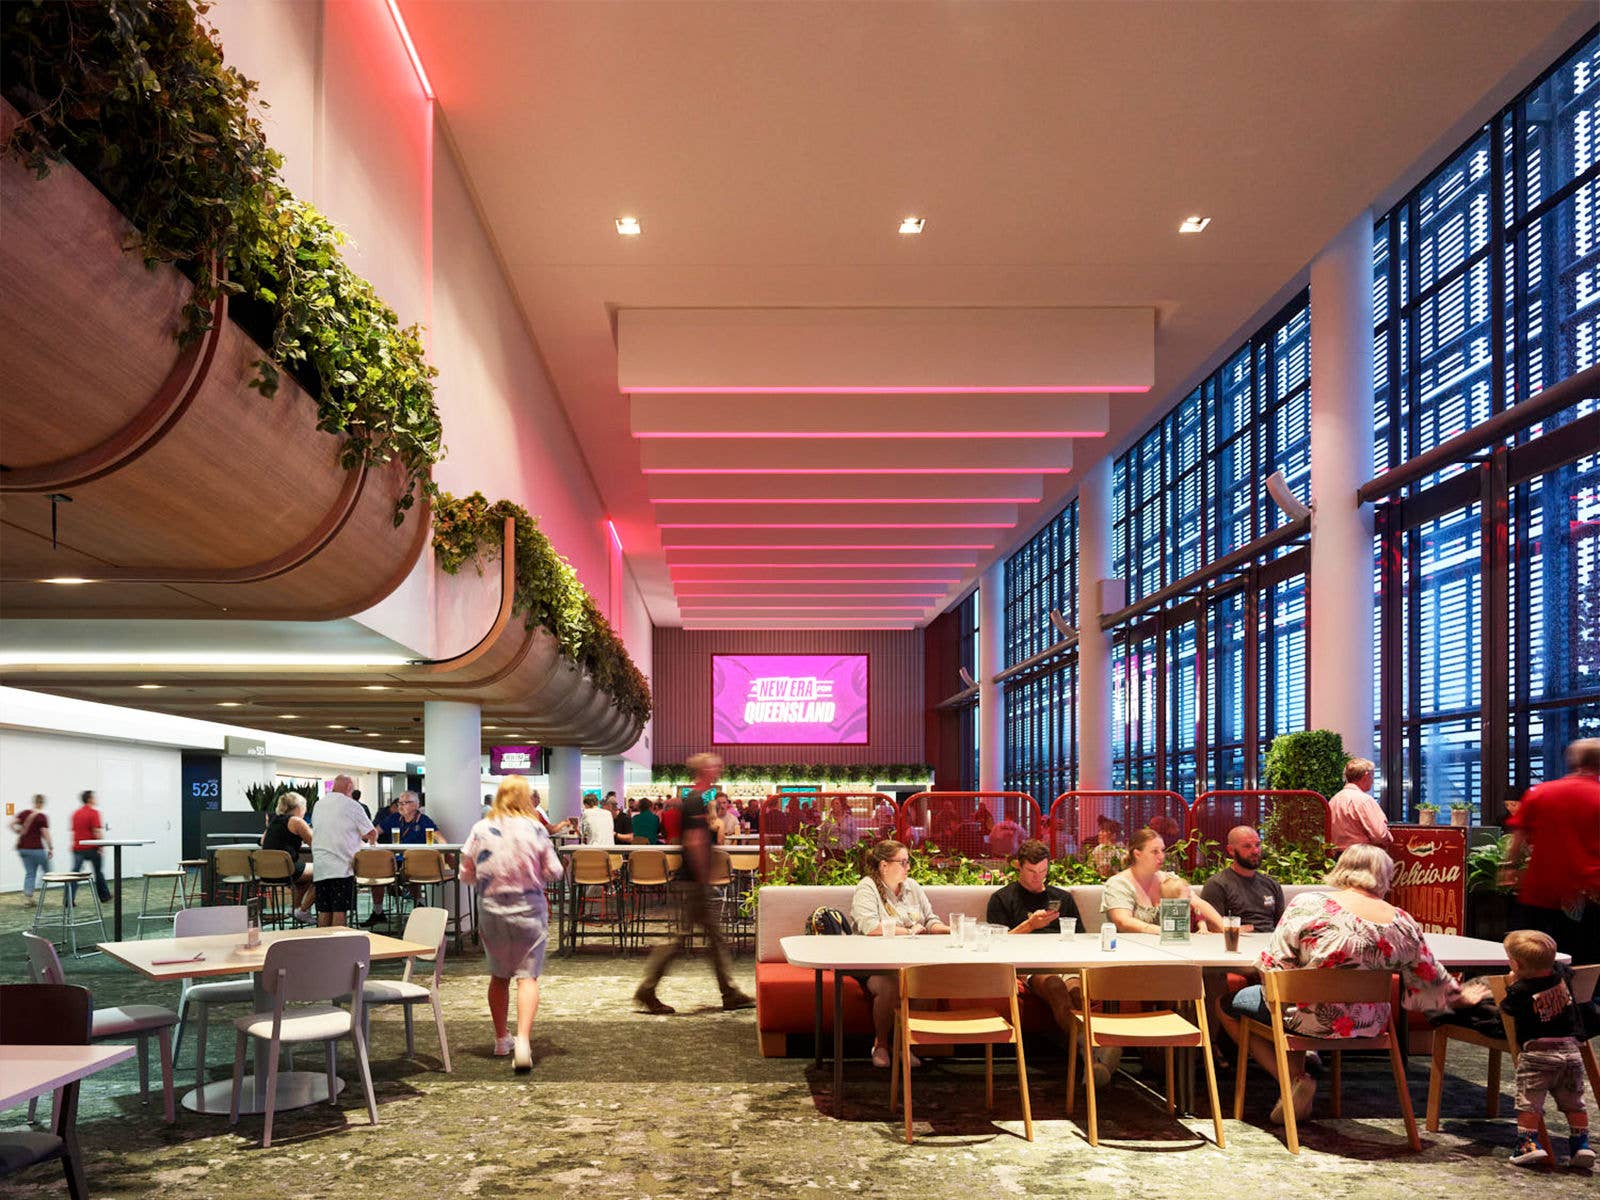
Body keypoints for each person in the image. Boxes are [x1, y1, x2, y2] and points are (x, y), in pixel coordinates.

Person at [1219, 844, 1490, 1124]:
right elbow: (1430, 980)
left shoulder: (1309, 904)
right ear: (1385, 876)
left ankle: (1290, 1082)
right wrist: (1463, 996)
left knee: (1231, 1005)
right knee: (1284, 1003)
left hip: (1306, 1017)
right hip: (1371, 1024)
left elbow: (1274, 967)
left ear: (1342, 870)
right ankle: (1297, 1080)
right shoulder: (1402, 921)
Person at [987, 839, 1121, 1084]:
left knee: (1079, 992)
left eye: (1043, 872)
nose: (1038, 878)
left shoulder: (1062, 898)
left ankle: (1091, 1060)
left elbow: (1082, 937)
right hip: (1027, 966)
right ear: (1019, 866)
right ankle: (1096, 1049)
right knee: (1054, 986)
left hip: (1064, 961)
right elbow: (996, 944)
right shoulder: (1003, 898)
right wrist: (1030, 925)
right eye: (1032, 872)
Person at [459, 775, 564, 1073]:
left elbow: (465, 872)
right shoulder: (535, 829)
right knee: (527, 977)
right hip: (529, 909)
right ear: (525, 798)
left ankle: (500, 1038)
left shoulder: (480, 829)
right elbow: (553, 871)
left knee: (499, 975)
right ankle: (523, 1041)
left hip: (492, 911)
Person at [634, 754, 753, 1015]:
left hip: (692, 880)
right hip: (694, 882)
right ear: (704, 770)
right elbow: (695, 841)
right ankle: (648, 989)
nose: (719, 768)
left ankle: (728, 992)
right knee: (686, 940)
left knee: (707, 939)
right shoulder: (696, 800)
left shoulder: (698, 800)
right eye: (715, 765)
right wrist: (703, 879)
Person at [850, 838, 951, 1068]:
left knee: (924, 981)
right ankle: (882, 1045)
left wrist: (949, 929)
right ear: (884, 866)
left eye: (908, 862)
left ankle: (906, 1045)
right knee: (891, 985)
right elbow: (870, 927)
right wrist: (909, 930)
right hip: (875, 962)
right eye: (903, 862)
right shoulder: (868, 888)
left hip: (910, 959)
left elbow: (929, 920)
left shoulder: (912, 887)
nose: (908, 867)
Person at [1500, 738, 1600, 965]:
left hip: (1540, 892)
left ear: (1572, 762)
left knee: (1533, 959)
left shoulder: (1541, 792)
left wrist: (1508, 869)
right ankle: (1580, 999)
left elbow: (1517, 839)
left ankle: (1536, 998)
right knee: (1585, 963)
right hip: (1588, 894)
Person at [1499, 929, 1593, 1168]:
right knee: (1574, 1103)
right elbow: (1567, 969)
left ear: (1516, 964)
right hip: (1571, 1052)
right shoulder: (1562, 975)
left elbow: (1506, 1008)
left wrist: (1512, 982)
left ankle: (1528, 1145)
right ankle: (1581, 1145)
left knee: (1529, 1103)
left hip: (1538, 1054)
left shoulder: (1520, 991)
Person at [1100, 827, 1225, 934]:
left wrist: (1227, 929)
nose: (1162, 856)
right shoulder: (1119, 883)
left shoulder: (1168, 879)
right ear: (1137, 854)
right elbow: (1123, 921)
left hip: (1170, 948)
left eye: (1162, 850)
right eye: (1155, 852)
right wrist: (1164, 932)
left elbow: (1199, 904)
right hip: (1131, 950)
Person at [362, 791, 440, 926]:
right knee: (377, 871)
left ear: (416, 805)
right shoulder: (394, 818)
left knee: (412, 869)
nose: (401, 806)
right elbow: (375, 832)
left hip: (415, 863)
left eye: (406, 803)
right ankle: (378, 911)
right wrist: (362, 837)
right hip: (395, 861)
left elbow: (440, 837)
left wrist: (446, 852)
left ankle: (419, 905)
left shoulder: (424, 820)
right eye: (400, 803)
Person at [310, 775, 376, 928]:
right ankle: (337, 946)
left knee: (324, 909)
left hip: (321, 865)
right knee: (340, 909)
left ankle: (322, 945)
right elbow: (371, 833)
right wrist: (371, 844)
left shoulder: (318, 804)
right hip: (342, 866)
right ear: (349, 788)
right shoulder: (351, 805)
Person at [1200, 825, 1285, 932]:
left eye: (1258, 845)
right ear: (1231, 850)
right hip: (1237, 942)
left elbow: (1283, 926)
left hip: (1271, 943)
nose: (1255, 851)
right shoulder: (1217, 885)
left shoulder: (1272, 885)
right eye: (1247, 846)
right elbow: (1213, 928)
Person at [261, 791, 315, 923]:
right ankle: (303, 911)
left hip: (265, 871)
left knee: (304, 878)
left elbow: (263, 841)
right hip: (285, 870)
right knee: (324, 871)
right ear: (299, 807)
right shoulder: (296, 821)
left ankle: (295, 909)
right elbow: (316, 842)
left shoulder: (274, 820)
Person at [1328, 757, 1392, 853]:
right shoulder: (1364, 800)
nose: (1373, 781)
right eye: (1372, 776)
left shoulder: (1334, 800)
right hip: (1361, 857)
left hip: (1338, 858)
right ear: (1366, 776)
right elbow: (1380, 835)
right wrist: (1389, 837)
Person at [69, 790, 112, 904]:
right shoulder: (94, 813)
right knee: (98, 872)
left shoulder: (75, 813)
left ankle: (69, 899)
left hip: (77, 847)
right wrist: (101, 845)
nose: (95, 799)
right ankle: (104, 896)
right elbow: (96, 831)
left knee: (74, 874)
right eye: (94, 797)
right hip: (92, 848)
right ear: (89, 799)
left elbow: (74, 831)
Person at [12, 794, 52, 904]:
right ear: (42, 803)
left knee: (30, 873)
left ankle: (28, 898)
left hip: (23, 849)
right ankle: (40, 884)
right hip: (36, 848)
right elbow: (45, 834)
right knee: (48, 870)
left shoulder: (24, 813)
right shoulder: (41, 817)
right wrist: (50, 847)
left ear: (34, 802)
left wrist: (18, 831)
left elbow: (11, 824)